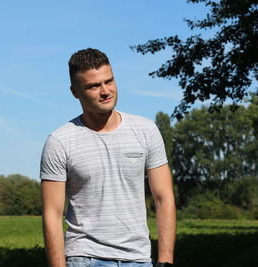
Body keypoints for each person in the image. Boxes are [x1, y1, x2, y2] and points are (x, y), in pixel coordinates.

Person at [40, 48, 176, 267]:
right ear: (75, 92)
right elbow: (52, 214)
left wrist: (165, 260)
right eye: (93, 86)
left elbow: (164, 198)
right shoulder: (59, 141)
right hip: (86, 257)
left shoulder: (146, 130)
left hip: (139, 259)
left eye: (109, 81)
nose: (105, 91)